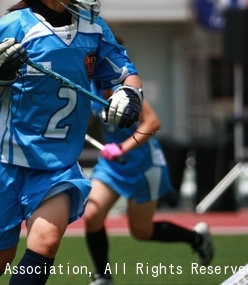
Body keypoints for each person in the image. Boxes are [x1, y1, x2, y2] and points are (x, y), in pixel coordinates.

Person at [0, 0, 144, 285]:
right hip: (3, 156)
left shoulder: (93, 28)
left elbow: (127, 76)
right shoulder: (13, 26)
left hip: (58, 163)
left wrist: (130, 95)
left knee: (45, 242)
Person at [83, 80, 214, 285]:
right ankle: (104, 276)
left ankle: (197, 239)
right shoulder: (92, 85)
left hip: (144, 166)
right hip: (112, 166)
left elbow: (152, 122)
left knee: (141, 231)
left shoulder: (124, 85)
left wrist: (122, 148)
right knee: (92, 215)